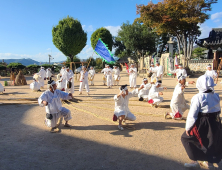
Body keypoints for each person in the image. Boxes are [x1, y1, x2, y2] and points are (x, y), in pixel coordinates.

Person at [181, 75, 222, 169]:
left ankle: (194, 160)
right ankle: (210, 163)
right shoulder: (215, 95)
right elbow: (218, 109)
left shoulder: (198, 97)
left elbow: (192, 114)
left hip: (202, 121)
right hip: (215, 121)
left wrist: (188, 127)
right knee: (211, 141)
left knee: (187, 138)